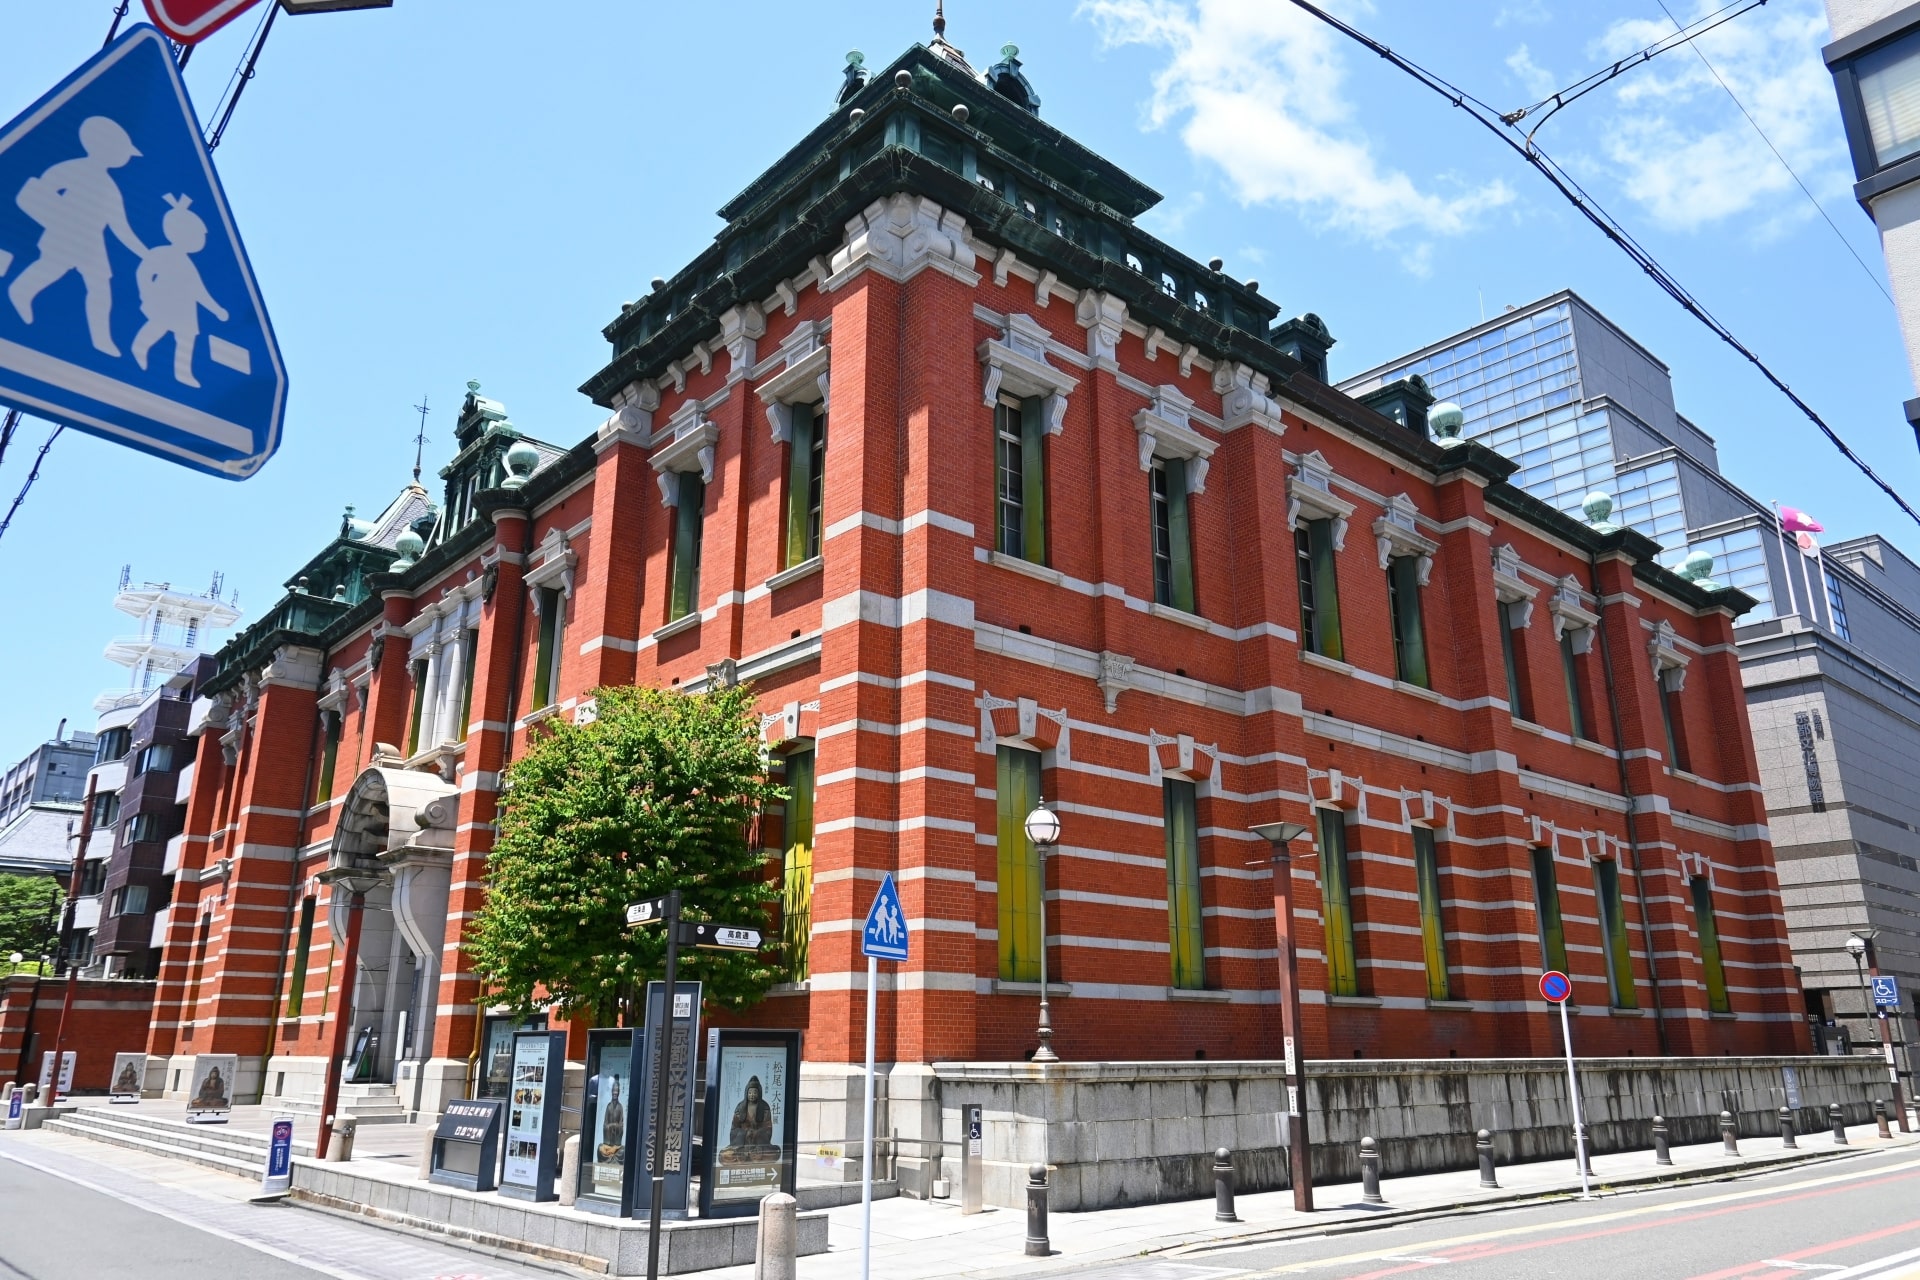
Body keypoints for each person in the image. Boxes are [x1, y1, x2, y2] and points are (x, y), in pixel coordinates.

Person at [7, 116, 147, 356]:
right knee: (51, 268)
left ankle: (101, 339)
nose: (126, 158)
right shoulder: (73, 168)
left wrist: (145, 253)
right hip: (66, 233)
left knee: (100, 287)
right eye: (124, 152)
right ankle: (19, 292)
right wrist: (56, 213)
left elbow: (120, 226)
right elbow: (41, 188)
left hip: (92, 243)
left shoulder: (110, 187)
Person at [130, 194, 226, 387]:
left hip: (185, 309)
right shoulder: (161, 253)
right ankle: (138, 348)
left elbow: (200, 291)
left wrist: (216, 309)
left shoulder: (189, 265)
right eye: (198, 235)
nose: (202, 240)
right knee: (158, 326)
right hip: (164, 301)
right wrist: (145, 292)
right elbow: (144, 272)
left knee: (187, 337)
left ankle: (183, 373)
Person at [728, 1076, 774, 1149]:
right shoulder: (740, 1107)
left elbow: (768, 1128)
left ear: (759, 1093)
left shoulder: (765, 1107)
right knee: (724, 1155)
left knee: (775, 1151)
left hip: (758, 1142)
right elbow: (734, 1128)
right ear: (746, 1093)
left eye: (754, 1092)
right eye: (750, 1093)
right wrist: (745, 1133)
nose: (752, 1095)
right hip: (742, 1142)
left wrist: (756, 1133)